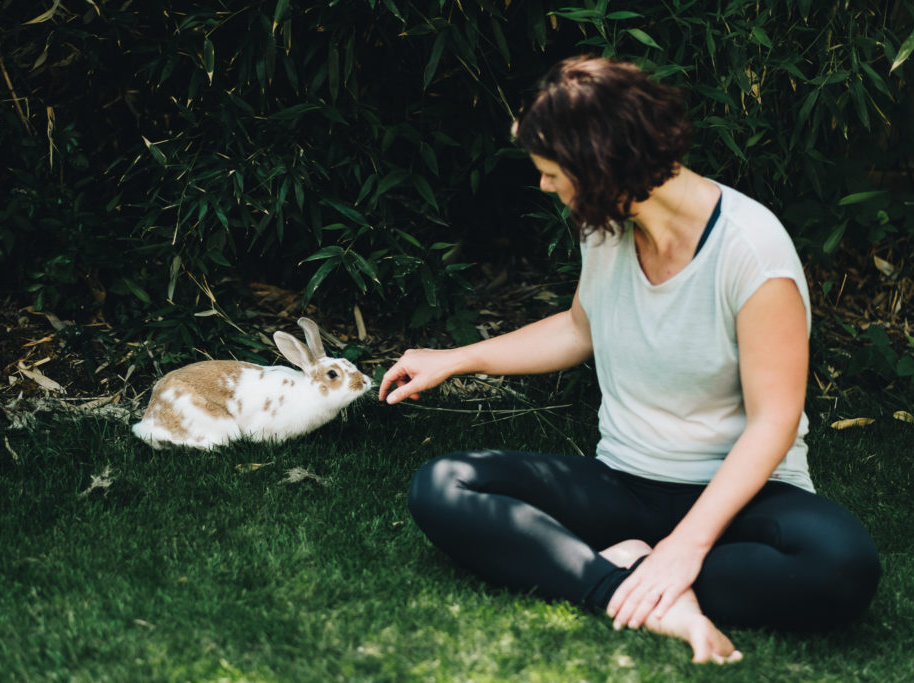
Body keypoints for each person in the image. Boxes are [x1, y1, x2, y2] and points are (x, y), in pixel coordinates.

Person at [378, 56, 881, 664]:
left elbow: (774, 420)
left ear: (600, 167)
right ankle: (634, 589)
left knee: (843, 567)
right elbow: (579, 327)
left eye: (551, 172)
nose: (544, 186)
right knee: (444, 484)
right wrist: (457, 358)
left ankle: (629, 566)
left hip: (747, 496)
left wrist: (685, 547)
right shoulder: (606, 227)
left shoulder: (752, 249)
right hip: (626, 482)